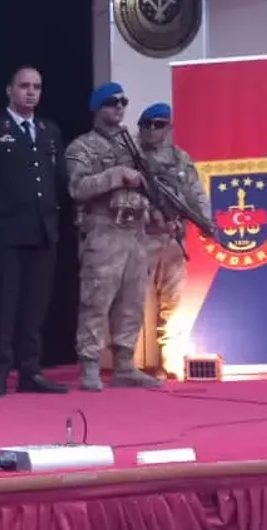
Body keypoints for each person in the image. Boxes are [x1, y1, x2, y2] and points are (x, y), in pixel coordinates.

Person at [0, 66, 69, 397]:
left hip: (43, 230)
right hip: (6, 232)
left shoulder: (48, 130)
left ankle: (30, 371)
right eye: (24, 86)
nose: (31, 92)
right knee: (5, 307)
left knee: (35, 307)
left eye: (36, 86)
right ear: (10, 90)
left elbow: (59, 178)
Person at [64, 82, 162, 390]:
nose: (119, 107)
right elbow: (77, 188)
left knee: (132, 300)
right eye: (111, 102)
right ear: (97, 107)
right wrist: (115, 175)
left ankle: (125, 364)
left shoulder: (132, 146)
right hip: (104, 228)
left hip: (136, 230)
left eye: (123, 101)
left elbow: (150, 184)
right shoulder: (82, 147)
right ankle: (90, 364)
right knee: (96, 299)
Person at [136, 102, 209, 378]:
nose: (153, 130)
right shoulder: (131, 157)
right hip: (140, 238)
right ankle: (132, 363)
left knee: (173, 303)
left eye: (159, 125)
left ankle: (170, 361)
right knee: (134, 302)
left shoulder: (180, 159)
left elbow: (195, 193)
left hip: (173, 238)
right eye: (148, 125)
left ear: (168, 127)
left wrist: (206, 221)